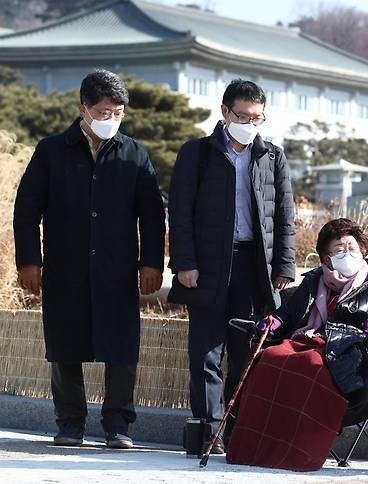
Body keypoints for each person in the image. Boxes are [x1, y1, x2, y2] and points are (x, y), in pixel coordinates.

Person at [13, 70, 166, 449]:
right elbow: (27, 208)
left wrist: (151, 262)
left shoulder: (135, 153)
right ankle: (70, 423)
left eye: (118, 112)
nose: (110, 119)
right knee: (66, 343)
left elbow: (151, 214)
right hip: (66, 265)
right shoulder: (51, 150)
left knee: (121, 346)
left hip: (117, 267)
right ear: (83, 109)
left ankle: (118, 424)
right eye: (103, 111)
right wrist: (28, 260)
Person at [167, 79, 295, 453]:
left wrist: (283, 266)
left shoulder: (272, 156)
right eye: (242, 115)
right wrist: (185, 263)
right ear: (225, 112)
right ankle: (208, 432)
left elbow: (284, 216)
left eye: (257, 117)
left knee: (245, 353)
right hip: (206, 268)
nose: (250, 123)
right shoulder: (197, 153)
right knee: (205, 353)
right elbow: (180, 212)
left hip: (253, 267)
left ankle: (237, 428)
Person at [226, 218, 368, 471]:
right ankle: (254, 449)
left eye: (352, 248)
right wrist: (274, 323)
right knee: (270, 358)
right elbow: (289, 315)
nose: (347, 254)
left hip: (349, 352)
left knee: (311, 364)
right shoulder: (314, 280)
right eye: (339, 250)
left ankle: (298, 453)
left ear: (362, 250)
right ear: (325, 257)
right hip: (309, 339)